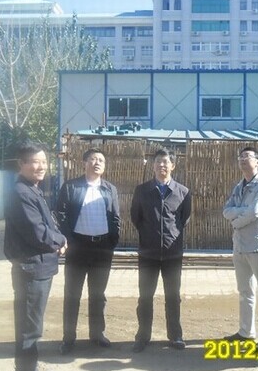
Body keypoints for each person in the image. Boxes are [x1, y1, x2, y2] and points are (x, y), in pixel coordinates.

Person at [4, 141, 67, 371]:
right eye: (34, 162)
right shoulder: (21, 193)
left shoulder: (32, 189)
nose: (41, 166)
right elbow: (38, 232)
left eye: (44, 161)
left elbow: (47, 224)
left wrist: (57, 238)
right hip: (31, 269)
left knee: (30, 326)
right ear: (21, 164)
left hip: (38, 268)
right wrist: (60, 241)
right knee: (30, 330)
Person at [56, 148, 120, 355]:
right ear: (84, 162)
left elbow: (116, 218)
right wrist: (69, 240)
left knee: (98, 295)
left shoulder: (110, 189)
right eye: (93, 159)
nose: (97, 162)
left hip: (102, 248)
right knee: (72, 294)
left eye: (101, 160)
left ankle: (97, 334)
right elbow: (60, 214)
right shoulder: (71, 187)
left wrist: (112, 242)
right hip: (78, 247)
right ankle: (68, 338)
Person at [130, 148, 191, 352]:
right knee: (145, 297)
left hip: (173, 254)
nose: (161, 165)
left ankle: (175, 336)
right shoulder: (142, 190)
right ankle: (142, 336)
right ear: (153, 165)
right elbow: (136, 218)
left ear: (173, 165)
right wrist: (150, 235)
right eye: (158, 161)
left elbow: (184, 219)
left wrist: (170, 236)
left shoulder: (183, 192)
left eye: (165, 162)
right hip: (148, 253)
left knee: (173, 296)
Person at [223, 147, 258, 347]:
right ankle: (246, 332)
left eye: (247, 156)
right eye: (240, 156)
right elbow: (226, 210)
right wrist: (240, 212)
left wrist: (237, 221)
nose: (242, 159)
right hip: (240, 246)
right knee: (245, 291)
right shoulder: (239, 186)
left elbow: (256, 211)